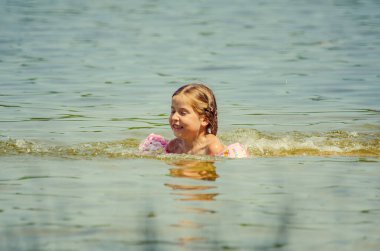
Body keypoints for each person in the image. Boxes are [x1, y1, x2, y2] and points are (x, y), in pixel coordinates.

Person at [139, 83, 248, 158]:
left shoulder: (212, 147)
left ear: (204, 119)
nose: (174, 117)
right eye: (173, 111)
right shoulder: (174, 146)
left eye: (182, 113)